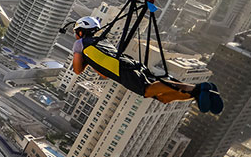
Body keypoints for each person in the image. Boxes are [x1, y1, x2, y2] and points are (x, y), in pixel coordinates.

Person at [70, 16, 223, 114]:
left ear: (82, 32)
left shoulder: (80, 44)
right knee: (164, 98)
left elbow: (77, 70)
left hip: (122, 70)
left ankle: (197, 88)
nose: (76, 35)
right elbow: (103, 73)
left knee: (147, 90)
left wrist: (84, 60)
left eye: (77, 31)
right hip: (129, 66)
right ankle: (198, 94)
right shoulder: (101, 42)